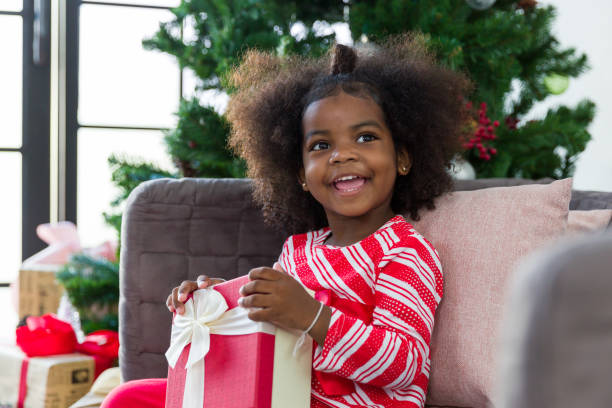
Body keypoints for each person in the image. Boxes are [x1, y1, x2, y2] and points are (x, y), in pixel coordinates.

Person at [102, 33, 470, 408]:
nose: (342, 155)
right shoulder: (298, 252)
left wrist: (312, 317)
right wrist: (222, 303)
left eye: (365, 137)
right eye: (321, 146)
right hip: (276, 396)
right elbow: (266, 330)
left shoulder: (405, 252)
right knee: (129, 398)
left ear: (403, 158)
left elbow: (402, 364)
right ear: (300, 175)